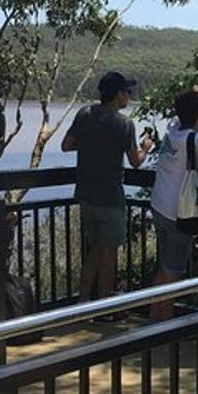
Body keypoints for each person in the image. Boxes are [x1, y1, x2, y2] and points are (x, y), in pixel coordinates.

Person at [62, 70, 154, 303]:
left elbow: (67, 144)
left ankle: (82, 303)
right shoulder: (124, 124)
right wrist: (146, 147)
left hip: (85, 195)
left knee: (93, 252)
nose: (129, 96)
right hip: (110, 198)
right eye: (127, 92)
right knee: (109, 255)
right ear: (118, 95)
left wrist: (91, 145)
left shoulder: (85, 114)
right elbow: (135, 161)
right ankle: (104, 306)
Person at [148, 88, 198, 320]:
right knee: (171, 272)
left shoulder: (172, 132)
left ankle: (156, 318)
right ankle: (162, 323)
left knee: (164, 267)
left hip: (159, 206)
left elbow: (178, 116)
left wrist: (193, 92)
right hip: (180, 213)